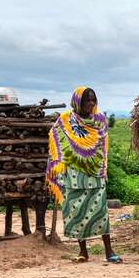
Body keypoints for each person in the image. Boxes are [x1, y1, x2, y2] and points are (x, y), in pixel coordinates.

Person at [45, 87, 121, 264]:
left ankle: (109, 251)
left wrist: (97, 163)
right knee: (77, 213)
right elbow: (55, 138)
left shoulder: (100, 120)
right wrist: (60, 162)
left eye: (93, 100)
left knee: (101, 212)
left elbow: (102, 145)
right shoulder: (65, 120)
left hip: (95, 174)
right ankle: (83, 252)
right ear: (77, 101)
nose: (91, 103)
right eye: (87, 100)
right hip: (73, 175)